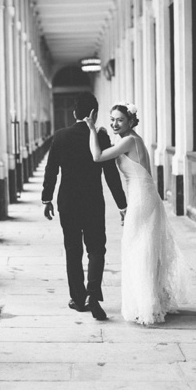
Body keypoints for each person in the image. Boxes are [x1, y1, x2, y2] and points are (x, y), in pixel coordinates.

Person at [86, 102, 187, 325]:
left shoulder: (130, 140)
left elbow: (97, 156)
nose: (114, 123)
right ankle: (148, 301)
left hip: (142, 197)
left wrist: (92, 129)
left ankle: (146, 305)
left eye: (119, 119)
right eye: (112, 119)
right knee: (141, 246)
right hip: (141, 196)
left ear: (130, 121)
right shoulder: (128, 139)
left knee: (138, 247)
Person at [41, 92, 127, 321]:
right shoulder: (100, 138)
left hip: (67, 202)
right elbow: (111, 175)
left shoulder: (60, 137)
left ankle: (78, 299)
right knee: (96, 248)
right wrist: (122, 204)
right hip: (92, 202)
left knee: (73, 250)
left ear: (74, 113)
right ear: (94, 114)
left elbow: (51, 171)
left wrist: (46, 199)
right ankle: (93, 294)